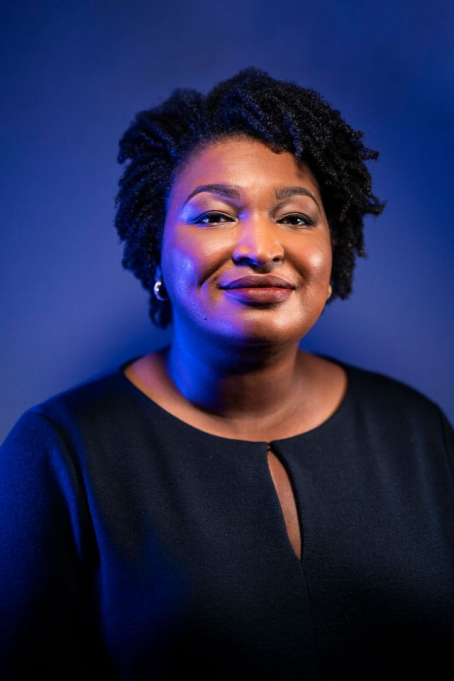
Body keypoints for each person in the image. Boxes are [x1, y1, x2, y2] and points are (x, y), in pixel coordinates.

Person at [1, 67, 453, 680]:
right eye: (214, 216)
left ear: (331, 254)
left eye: (295, 217)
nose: (261, 248)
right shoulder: (59, 453)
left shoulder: (416, 431)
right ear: (156, 248)